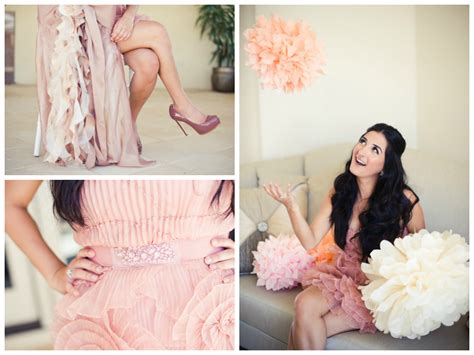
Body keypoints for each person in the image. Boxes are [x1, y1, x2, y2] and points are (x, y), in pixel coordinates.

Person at [5, 180, 235, 349]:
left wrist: (241, 255)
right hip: (107, 308)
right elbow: (8, 204)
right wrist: (54, 272)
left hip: (208, 301)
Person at [263, 123, 425, 350]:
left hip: (377, 287)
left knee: (300, 327)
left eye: (375, 150)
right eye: (363, 141)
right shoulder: (341, 190)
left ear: (386, 166)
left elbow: (425, 254)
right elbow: (310, 242)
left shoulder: (405, 201)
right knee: (304, 304)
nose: (362, 150)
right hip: (344, 274)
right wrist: (292, 207)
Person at [36, 5, 220, 168]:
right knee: (158, 32)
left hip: (115, 21)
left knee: (148, 63)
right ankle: (183, 107)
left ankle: (127, 129)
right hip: (80, 27)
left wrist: (129, 16)